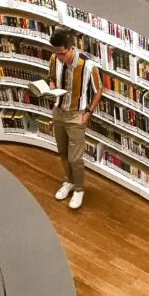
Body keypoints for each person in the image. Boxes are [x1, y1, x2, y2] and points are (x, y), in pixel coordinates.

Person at [47, 26, 102, 210]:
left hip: (77, 115)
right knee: (62, 152)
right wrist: (51, 86)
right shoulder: (55, 59)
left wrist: (88, 113)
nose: (59, 57)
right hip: (58, 111)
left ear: (71, 48)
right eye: (56, 53)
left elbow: (99, 90)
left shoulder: (88, 66)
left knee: (75, 158)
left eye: (62, 53)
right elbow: (50, 77)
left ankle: (79, 189)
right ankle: (68, 181)